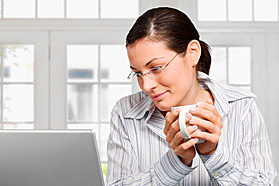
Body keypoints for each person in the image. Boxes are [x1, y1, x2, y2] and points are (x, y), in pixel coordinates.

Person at [106, 7, 277, 185]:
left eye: (156, 68)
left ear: (193, 53)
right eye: (138, 74)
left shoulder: (241, 107)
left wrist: (213, 154)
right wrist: (175, 163)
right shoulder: (126, 113)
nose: (146, 86)